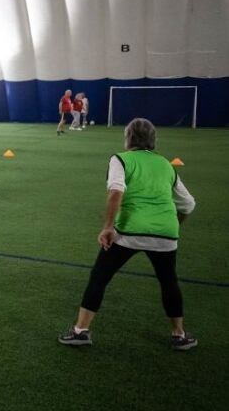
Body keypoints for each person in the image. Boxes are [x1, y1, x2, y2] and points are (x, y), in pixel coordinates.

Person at [58, 118, 197, 350]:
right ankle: (179, 334)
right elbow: (188, 204)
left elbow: (115, 192)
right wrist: (173, 225)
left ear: (128, 138)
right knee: (169, 282)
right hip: (166, 233)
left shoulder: (121, 159)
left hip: (129, 231)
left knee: (100, 277)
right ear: (153, 140)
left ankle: (80, 331)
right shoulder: (166, 164)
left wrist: (108, 227)